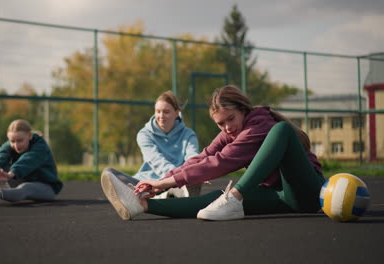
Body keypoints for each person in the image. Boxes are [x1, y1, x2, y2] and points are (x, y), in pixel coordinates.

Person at [101, 85, 325, 220]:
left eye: (231, 119)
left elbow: (222, 162)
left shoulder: (259, 125)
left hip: (307, 191)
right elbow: (205, 156)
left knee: (282, 130)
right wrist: (161, 182)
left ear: (243, 110)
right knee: (216, 199)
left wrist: (167, 183)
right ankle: (140, 206)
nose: (227, 127)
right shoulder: (231, 131)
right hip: (282, 196)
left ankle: (234, 199)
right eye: (220, 124)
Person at [106, 90, 201, 198]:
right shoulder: (144, 134)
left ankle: (149, 198)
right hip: (150, 181)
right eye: (158, 111)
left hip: (178, 182)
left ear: (176, 113)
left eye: (166, 112)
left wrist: (194, 172)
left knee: (191, 176)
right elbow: (157, 161)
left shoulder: (189, 135)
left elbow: (192, 156)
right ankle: (164, 195)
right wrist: (174, 178)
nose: (161, 116)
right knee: (110, 173)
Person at [0, 119, 63, 206]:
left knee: (25, 187)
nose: (16, 145)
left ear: (30, 136)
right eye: (12, 141)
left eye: (20, 140)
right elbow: (1, 155)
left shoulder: (41, 146)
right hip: (20, 178)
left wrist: (9, 174)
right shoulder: (11, 143)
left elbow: (28, 160)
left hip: (46, 187)